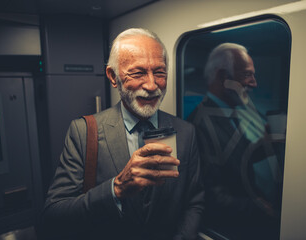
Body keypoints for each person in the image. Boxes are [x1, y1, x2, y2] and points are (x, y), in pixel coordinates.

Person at [40, 28, 204, 240]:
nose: (152, 85)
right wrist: (116, 189)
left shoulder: (186, 132)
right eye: (138, 73)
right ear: (113, 76)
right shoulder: (83, 132)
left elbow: (194, 202)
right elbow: (54, 216)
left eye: (160, 72)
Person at [188, 43, 282, 239]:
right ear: (223, 77)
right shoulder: (200, 124)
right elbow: (212, 196)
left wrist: (267, 143)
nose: (254, 83)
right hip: (227, 228)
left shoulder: (227, 112)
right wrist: (258, 205)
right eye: (248, 75)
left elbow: (239, 157)